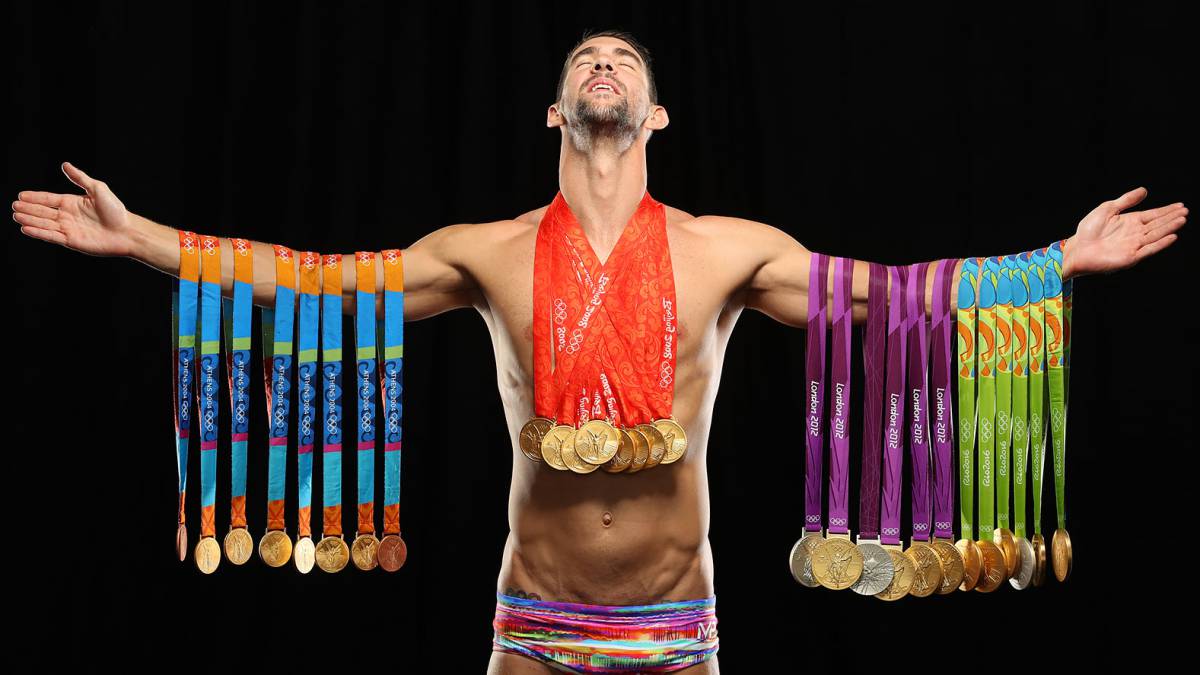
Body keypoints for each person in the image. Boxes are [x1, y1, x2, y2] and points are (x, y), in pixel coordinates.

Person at [12, 27, 1186, 675]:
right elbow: (324, 282)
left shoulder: (730, 251)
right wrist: (147, 243)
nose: (605, 66)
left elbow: (890, 300)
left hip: (682, 622)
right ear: (556, 113)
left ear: (660, 116)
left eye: (626, 61)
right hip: (534, 620)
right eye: (586, 61)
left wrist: (1055, 264)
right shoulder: (489, 250)